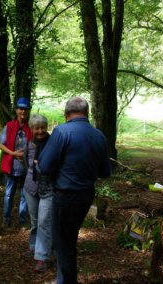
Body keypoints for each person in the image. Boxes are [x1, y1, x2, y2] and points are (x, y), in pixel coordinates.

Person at [37, 96, 111, 284]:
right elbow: (105, 172)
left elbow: (44, 167)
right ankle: (63, 280)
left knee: (62, 245)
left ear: (65, 114)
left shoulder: (61, 132)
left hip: (65, 196)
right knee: (69, 239)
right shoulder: (99, 135)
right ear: (87, 114)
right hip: (86, 195)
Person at [23, 114, 53, 273]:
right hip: (30, 187)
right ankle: (34, 246)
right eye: (37, 128)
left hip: (48, 188)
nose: (40, 131)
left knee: (44, 222)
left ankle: (42, 257)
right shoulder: (30, 144)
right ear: (32, 129)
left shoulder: (53, 144)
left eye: (43, 127)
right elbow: (26, 164)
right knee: (35, 221)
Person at [0, 97, 32, 226]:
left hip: (26, 168)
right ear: (16, 110)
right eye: (21, 108)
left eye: (25, 109)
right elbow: (1, 145)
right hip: (11, 166)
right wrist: (13, 153)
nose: (23, 111)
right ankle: (6, 218)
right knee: (8, 194)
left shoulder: (31, 128)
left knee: (24, 195)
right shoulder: (9, 126)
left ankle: (22, 220)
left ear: (28, 111)